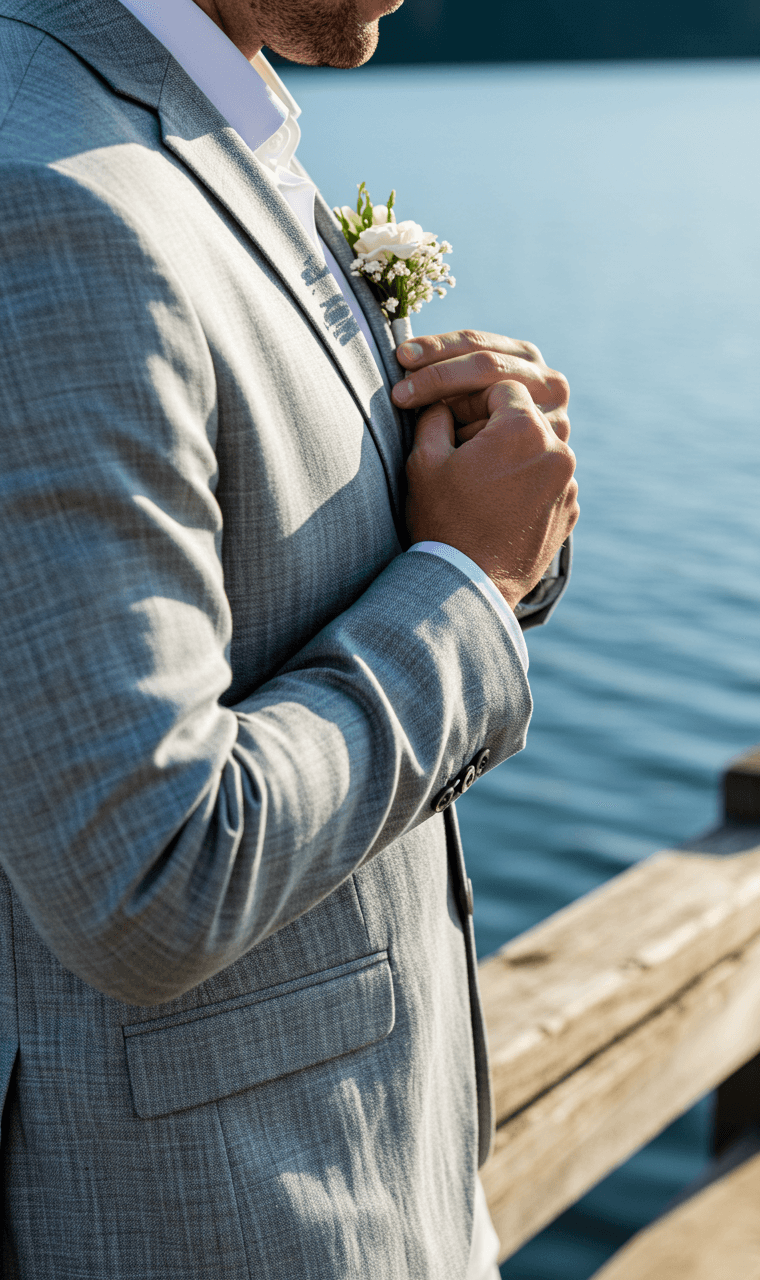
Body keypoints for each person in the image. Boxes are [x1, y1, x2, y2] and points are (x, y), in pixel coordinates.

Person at [0, 0, 578, 1272]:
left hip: (382, 1182)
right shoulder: (46, 194)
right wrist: (468, 581)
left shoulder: (189, 120)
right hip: (224, 1218)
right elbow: (146, 876)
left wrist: (494, 521)